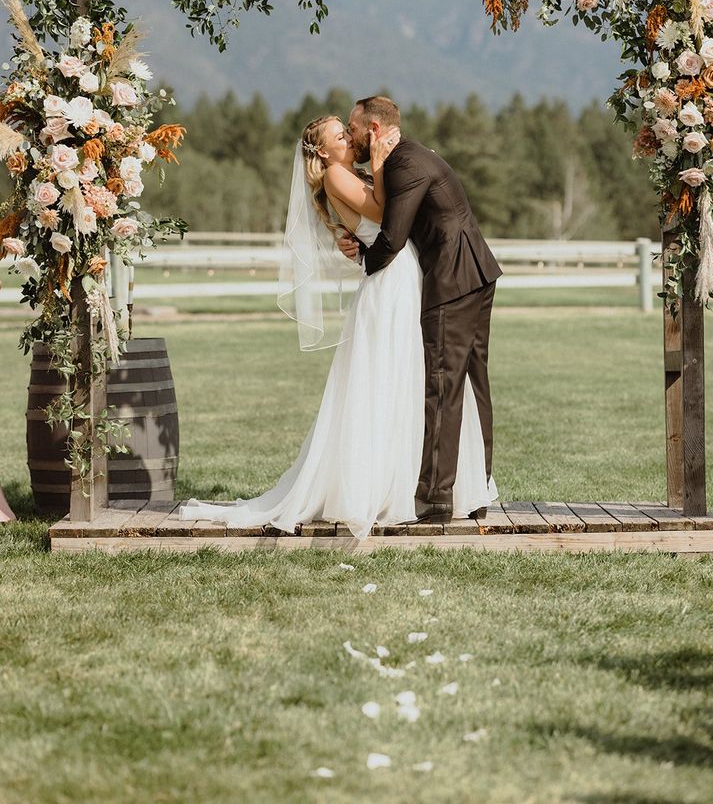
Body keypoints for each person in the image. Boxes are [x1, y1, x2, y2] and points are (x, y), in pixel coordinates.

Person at [179, 108, 497, 539]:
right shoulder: (335, 177)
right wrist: (384, 166)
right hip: (388, 282)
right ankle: (394, 487)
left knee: (412, 379)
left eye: (347, 132)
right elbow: (384, 211)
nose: (348, 139)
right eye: (338, 136)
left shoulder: (353, 174)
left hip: (402, 277)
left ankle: (414, 481)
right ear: (323, 152)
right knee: (398, 378)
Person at [343, 95, 502, 523]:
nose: (350, 134)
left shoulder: (404, 165)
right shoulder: (410, 156)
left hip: (453, 279)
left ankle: (435, 497)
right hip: (474, 272)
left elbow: (393, 238)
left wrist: (362, 259)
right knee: (469, 382)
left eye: (353, 128)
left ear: (373, 129)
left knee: (442, 383)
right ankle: (477, 488)